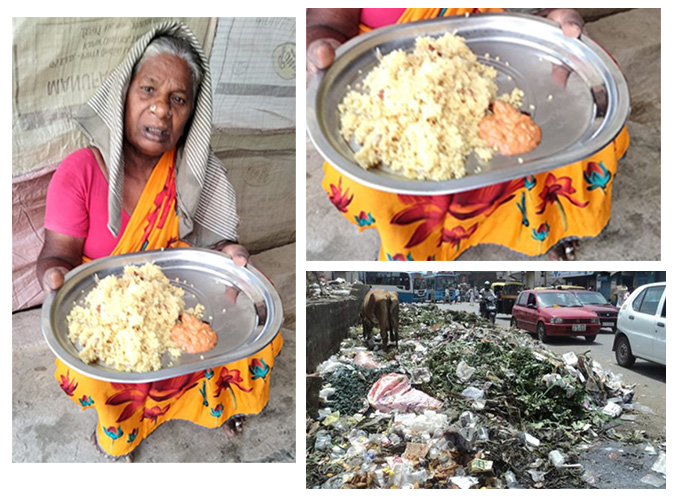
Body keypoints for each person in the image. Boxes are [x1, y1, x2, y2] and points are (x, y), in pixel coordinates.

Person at [37, 22, 283, 461]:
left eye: (178, 99)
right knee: (101, 375)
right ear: (124, 96)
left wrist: (231, 253)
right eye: (148, 90)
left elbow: (219, 243)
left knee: (257, 329)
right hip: (112, 309)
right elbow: (57, 255)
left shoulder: (194, 170)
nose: (161, 110)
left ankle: (215, 402)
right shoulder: (80, 170)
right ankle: (125, 427)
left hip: (177, 295)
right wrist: (54, 275)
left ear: (191, 114)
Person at [307, 8, 629, 261]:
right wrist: (323, 48)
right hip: (401, 72)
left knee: (570, 133)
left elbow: (541, 12)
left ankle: (544, 227)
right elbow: (328, 22)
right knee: (383, 186)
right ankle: (423, 254)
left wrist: (553, 22)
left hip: (497, 49)